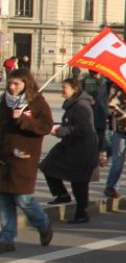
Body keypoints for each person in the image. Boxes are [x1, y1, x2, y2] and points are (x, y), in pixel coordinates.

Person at [0, 69, 55, 252]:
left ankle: (43, 224)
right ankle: (7, 238)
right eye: (10, 83)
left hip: (24, 157)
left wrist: (23, 119)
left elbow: (46, 127)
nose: (12, 87)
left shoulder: (37, 103)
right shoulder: (4, 101)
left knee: (22, 198)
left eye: (16, 84)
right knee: (4, 199)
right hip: (4, 157)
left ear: (26, 84)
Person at [41, 77, 99, 224]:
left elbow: (83, 128)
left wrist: (63, 130)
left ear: (75, 89)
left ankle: (82, 214)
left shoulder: (81, 106)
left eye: (64, 87)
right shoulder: (73, 104)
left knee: (79, 182)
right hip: (70, 146)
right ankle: (62, 195)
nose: (62, 90)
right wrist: (60, 129)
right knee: (47, 165)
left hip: (81, 150)